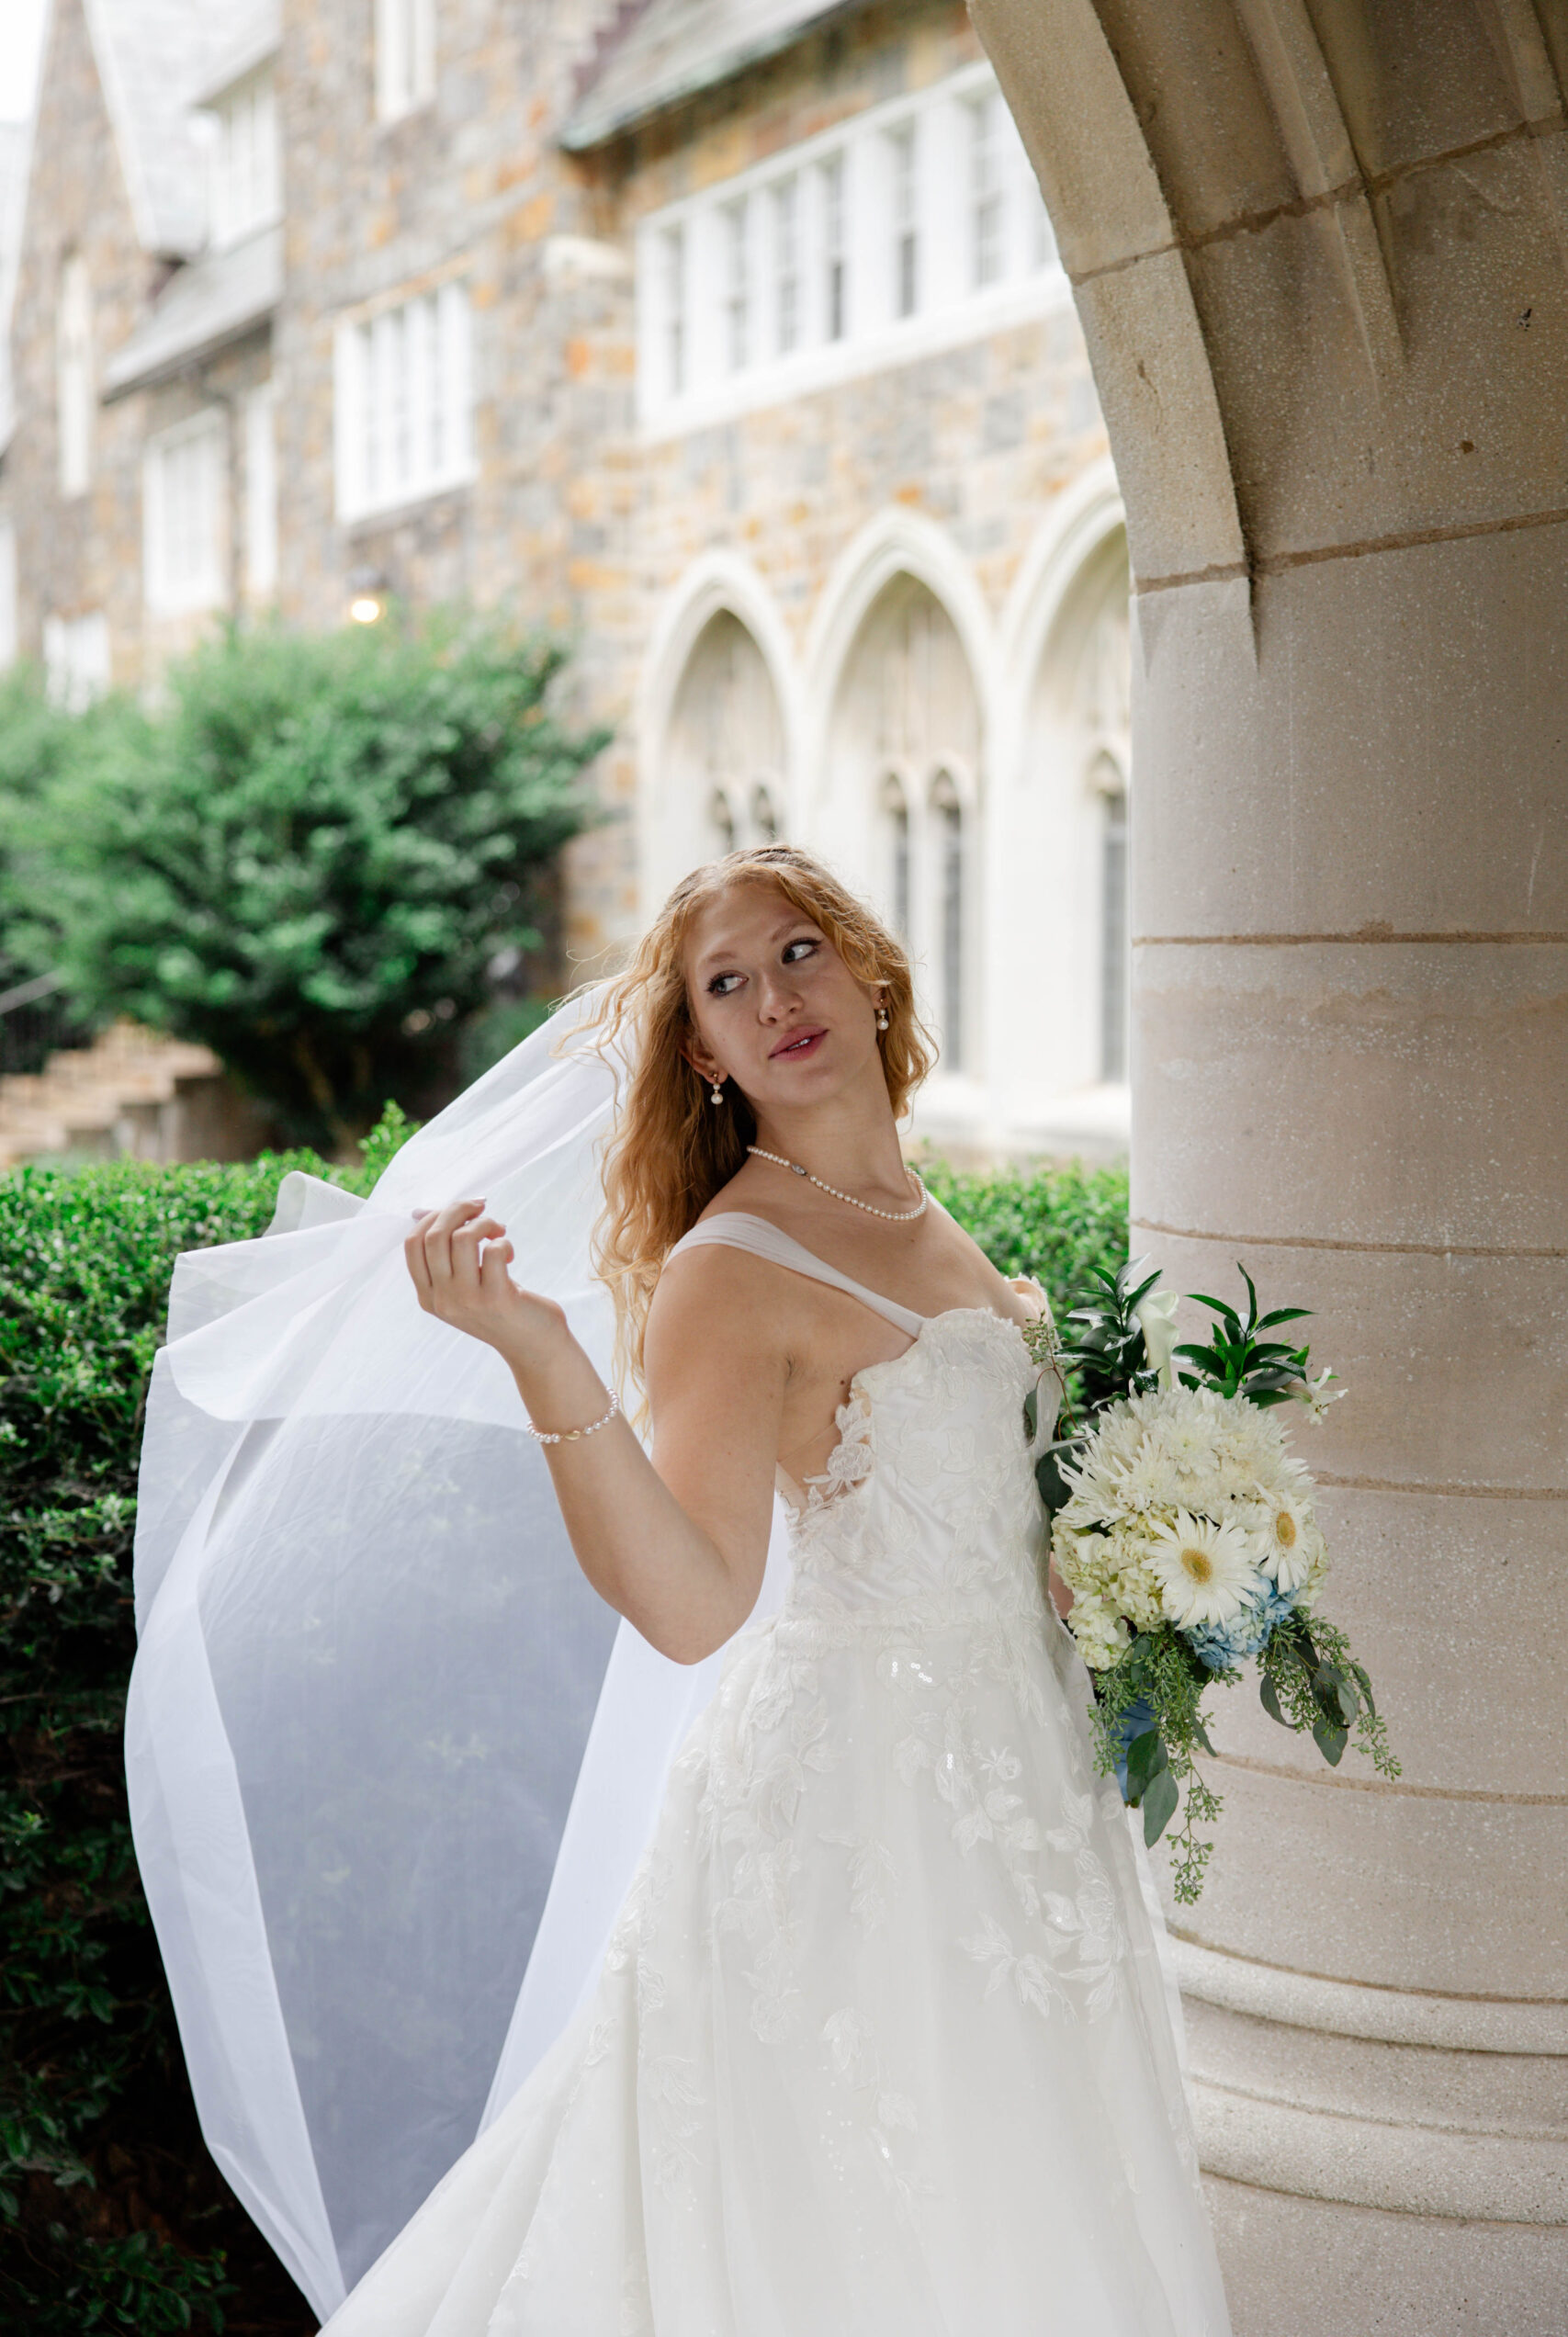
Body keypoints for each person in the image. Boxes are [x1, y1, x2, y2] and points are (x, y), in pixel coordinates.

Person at [309, 848, 1232, 2336]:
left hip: (1027, 1795)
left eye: (795, 954)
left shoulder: (929, 1220)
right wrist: (542, 1353)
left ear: (872, 967)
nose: (773, 1000)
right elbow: (692, 1604)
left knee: (1025, 2200)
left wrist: (1124, 1575)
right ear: (705, 1053)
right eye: (725, 988)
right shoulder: (730, 1269)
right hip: (865, 1809)